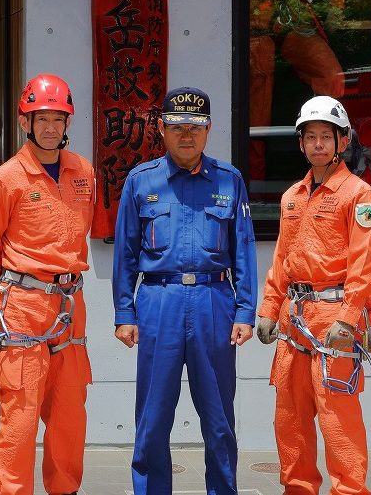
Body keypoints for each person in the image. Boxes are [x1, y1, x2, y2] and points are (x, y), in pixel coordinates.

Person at [113, 87, 258, 495]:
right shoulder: (141, 181)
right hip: (158, 302)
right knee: (153, 417)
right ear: (161, 129)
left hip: (214, 302)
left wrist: (245, 311)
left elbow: (244, 248)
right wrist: (124, 313)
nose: (187, 135)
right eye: (178, 127)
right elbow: (125, 252)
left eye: (195, 127)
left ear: (209, 129)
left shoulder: (229, 180)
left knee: (219, 418)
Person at [255, 95, 371, 495]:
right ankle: (297, 488)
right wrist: (269, 308)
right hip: (294, 317)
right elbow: (282, 258)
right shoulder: (292, 196)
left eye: (326, 137)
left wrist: (349, 318)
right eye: (310, 136)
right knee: (290, 416)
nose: (317, 144)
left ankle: (349, 490)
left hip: (334, 316)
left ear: (342, 141)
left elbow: (366, 263)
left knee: (337, 416)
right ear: (300, 143)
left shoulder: (359, 195)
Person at [0, 74, 95, 495]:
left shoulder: (83, 172)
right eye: (41, 118)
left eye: (57, 119)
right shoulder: (6, 179)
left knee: (69, 415)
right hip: (23, 304)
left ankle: (65, 490)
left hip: (70, 306)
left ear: (67, 123)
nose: (49, 127)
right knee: (20, 419)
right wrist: (13, 288)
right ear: (25, 121)